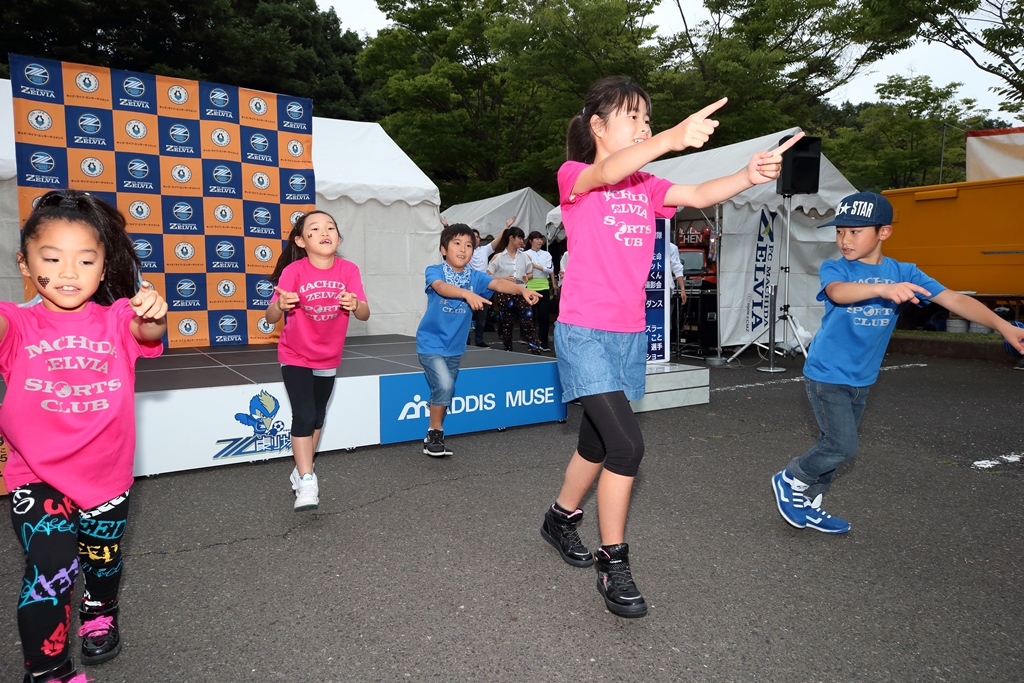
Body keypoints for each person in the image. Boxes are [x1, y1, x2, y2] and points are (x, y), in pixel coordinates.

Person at [540, 76, 799, 618]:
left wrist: (748, 175)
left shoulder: (648, 187)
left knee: (595, 442)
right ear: (597, 126)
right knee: (627, 447)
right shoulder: (574, 177)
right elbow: (607, 171)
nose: (643, 125)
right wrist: (670, 138)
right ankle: (614, 563)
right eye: (632, 116)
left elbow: (699, 195)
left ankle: (560, 518)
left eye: (648, 118)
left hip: (629, 334)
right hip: (584, 330)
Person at [772, 191, 1024, 534]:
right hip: (827, 373)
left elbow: (953, 299)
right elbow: (838, 293)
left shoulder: (904, 272)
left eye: (855, 231)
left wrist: (1004, 326)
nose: (844, 240)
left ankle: (810, 503)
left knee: (832, 446)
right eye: (840, 231)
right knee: (841, 445)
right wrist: (882, 290)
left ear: (884, 232)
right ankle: (791, 479)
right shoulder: (837, 267)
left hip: (862, 378)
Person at [1, 190, 166, 683]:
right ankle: (50, 672)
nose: (69, 272)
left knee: (102, 561)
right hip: (36, 477)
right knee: (52, 566)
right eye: (52, 258)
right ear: (25, 264)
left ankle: (100, 613)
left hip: (107, 475)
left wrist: (154, 314)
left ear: (102, 269)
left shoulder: (117, 319)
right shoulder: (17, 323)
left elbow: (149, 333)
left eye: (85, 260)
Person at [266, 210, 370, 512]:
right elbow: (270, 316)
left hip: (328, 356)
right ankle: (307, 479)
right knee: (304, 414)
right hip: (295, 354)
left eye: (330, 227)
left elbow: (364, 314)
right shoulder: (294, 271)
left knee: (317, 417)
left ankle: (302, 468)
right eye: (315, 229)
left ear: (338, 237)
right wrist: (279, 305)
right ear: (301, 240)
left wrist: (356, 304)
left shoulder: (348, 270)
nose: (325, 232)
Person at [417, 223, 540, 457]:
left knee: (444, 390)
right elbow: (441, 288)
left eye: (469, 245)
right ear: (443, 249)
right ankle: (435, 432)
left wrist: (522, 290)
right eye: (457, 244)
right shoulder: (435, 271)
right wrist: (466, 293)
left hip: (455, 347)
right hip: (431, 343)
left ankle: (435, 412)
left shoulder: (475, 276)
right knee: (445, 386)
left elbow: (498, 283)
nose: (463, 249)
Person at [486, 226, 542, 354]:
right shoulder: (498, 257)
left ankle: (535, 349)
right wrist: (503, 278)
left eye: (522, 238)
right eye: (519, 238)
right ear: (511, 238)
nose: (522, 241)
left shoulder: (525, 256)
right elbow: (488, 275)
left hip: (521, 292)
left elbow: (530, 273)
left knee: (528, 321)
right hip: (504, 293)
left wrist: (527, 277)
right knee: (506, 323)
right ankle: (508, 351)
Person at [465, 216, 513, 347]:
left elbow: (497, 240)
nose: (476, 239)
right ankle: (466, 340)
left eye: (478, 237)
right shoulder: (465, 251)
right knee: (467, 316)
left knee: (482, 317)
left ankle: (479, 340)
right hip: (469, 287)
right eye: (473, 237)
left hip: (484, 288)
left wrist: (506, 227)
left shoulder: (484, 250)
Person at [523, 231, 555, 352]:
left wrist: (535, 265)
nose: (540, 241)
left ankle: (544, 342)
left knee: (544, 315)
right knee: (531, 316)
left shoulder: (546, 254)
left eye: (541, 239)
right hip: (529, 287)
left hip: (543, 286)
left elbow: (550, 269)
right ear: (531, 241)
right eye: (536, 239)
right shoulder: (525, 254)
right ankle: (531, 341)